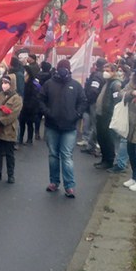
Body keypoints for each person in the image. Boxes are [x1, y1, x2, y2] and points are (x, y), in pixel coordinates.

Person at [40, 60, 87, 198]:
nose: (63, 70)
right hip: (52, 125)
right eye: (61, 68)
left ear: (69, 70)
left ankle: (69, 186)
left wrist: (77, 114)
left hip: (69, 127)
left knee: (66, 156)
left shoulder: (76, 85)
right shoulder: (49, 84)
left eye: (65, 68)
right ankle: (54, 182)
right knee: (53, 155)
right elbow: (41, 99)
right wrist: (47, 112)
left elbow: (83, 101)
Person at [0, 75, 23, 183]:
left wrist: (1, 121)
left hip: (9, 129)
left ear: (12, 84)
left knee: (9, 153)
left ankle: (10, 174)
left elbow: (13, 114)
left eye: (7, 82)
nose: (4, 85)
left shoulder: (17, 98)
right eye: (3, 82)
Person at [95, 63, 123, 171]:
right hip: (101, 114)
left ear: (114, 72)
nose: (105, 72)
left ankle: (109, 160)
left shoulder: (115, 84)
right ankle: (104, 159)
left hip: (108, 115)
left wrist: (112, 113)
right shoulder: (107, 82)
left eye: (108, 70)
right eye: (104, 70)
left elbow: (117, 100)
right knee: (101, 137)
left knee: (107, 138)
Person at [19, 71, 41, 146]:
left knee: (29, 124)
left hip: (30, 108)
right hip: (23, 107)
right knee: (21, 124)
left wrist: (30, 105)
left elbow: (35, 98)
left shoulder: (34, 85)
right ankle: (20, 139)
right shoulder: (22, 84)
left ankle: (29, 139)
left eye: (26, 75)